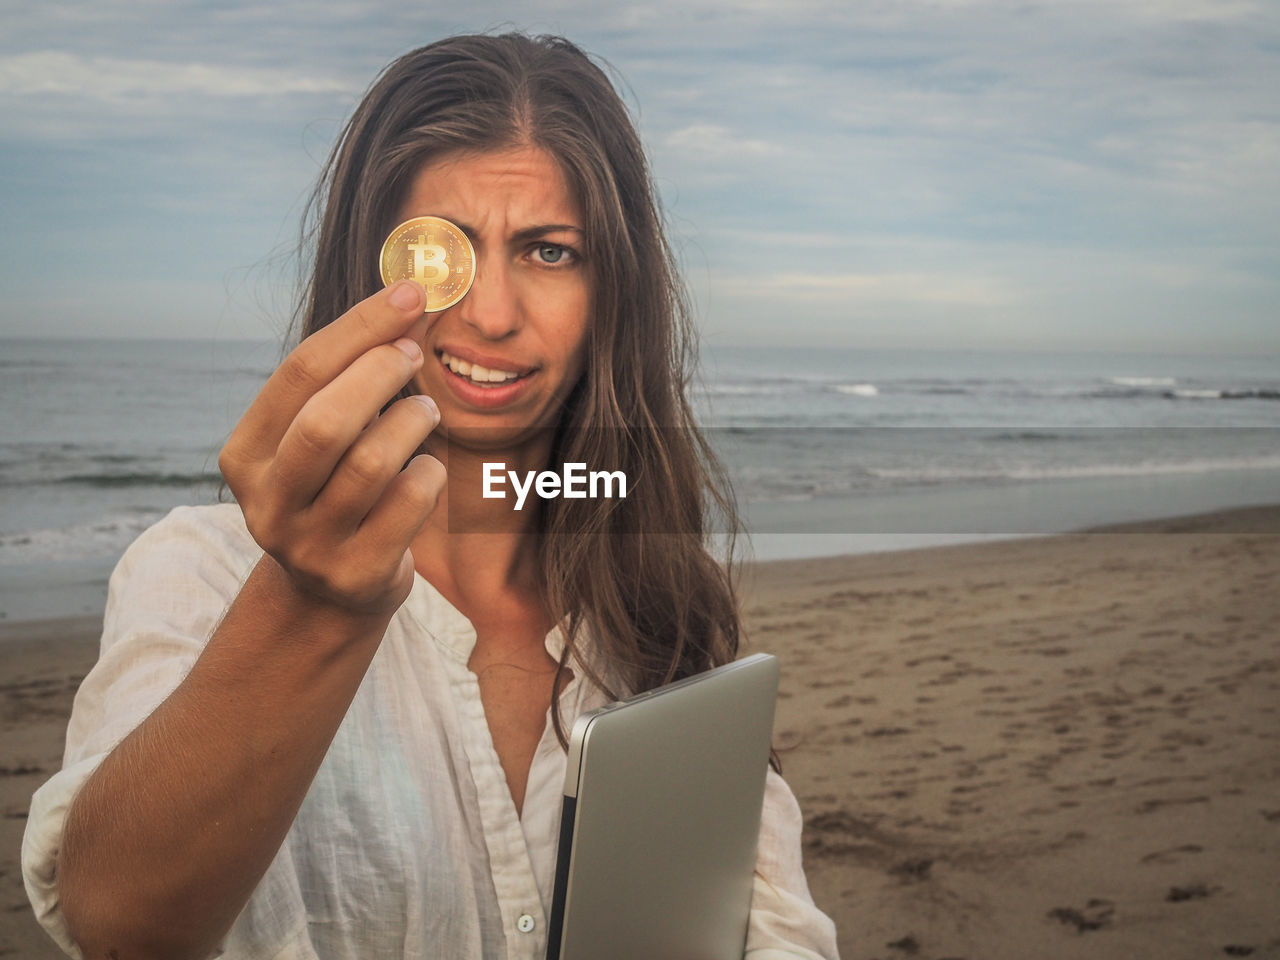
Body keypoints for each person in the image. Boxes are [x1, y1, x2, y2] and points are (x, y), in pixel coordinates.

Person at [23, 33, 839, 960]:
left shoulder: (660, 596)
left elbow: (774, 928)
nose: (491, 314)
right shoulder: (200, 573)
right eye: (444, 251)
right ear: (369, 269)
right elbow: (118, 923)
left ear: (615, 292)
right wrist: (314, 604)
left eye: (549, 250)